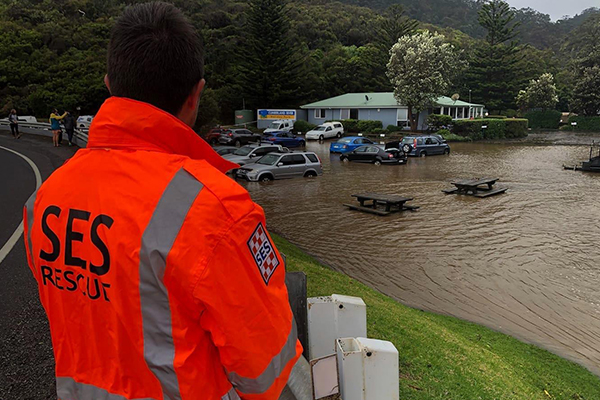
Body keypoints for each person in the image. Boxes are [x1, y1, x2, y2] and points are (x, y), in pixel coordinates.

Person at [23, 3, 301, 400]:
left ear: (109, 83)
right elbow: (266, 372)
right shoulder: (219, 210)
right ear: (196, 95)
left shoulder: (46, 197)